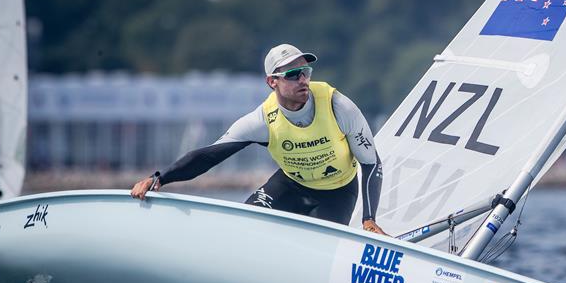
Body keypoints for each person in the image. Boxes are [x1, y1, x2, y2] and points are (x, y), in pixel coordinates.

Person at [131, 44, 386, 234]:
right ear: (272, 82)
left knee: (316, 253)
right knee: (246, 224)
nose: (303, 79)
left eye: (305, 72)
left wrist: (369, 218)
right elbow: (209, 155)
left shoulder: (338, 106)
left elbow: (371, 163)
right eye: (293, 74)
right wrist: (159, 178)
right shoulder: (263, 121)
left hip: (337, 193)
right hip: (291, 186)